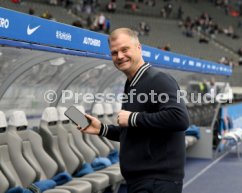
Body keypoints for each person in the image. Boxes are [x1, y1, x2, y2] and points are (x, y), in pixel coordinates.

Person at [80, 28, 190, 193]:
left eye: (125, 49)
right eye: (114, 53)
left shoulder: (158, 80)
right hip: (141, 181)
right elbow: (136, 131)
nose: (119, 56)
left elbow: (180, 118)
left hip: (156, 182)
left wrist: (133, 118)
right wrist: (102, 129)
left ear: (139, 48)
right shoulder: (132, 84)